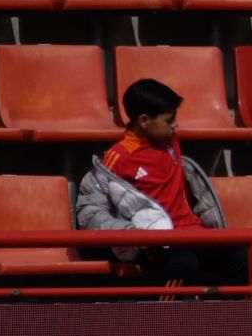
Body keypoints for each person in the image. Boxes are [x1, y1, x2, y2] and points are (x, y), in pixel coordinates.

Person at [77, 78, 234, 288]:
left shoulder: (171, 141)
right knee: (184, 263)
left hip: (192, 231)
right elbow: (91, 211)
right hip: (155, 239)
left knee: (245, 257)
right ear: (144, 121)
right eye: (169, 120)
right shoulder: (117, 158)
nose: (175, 125)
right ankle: (159, 318)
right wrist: (129, 233)